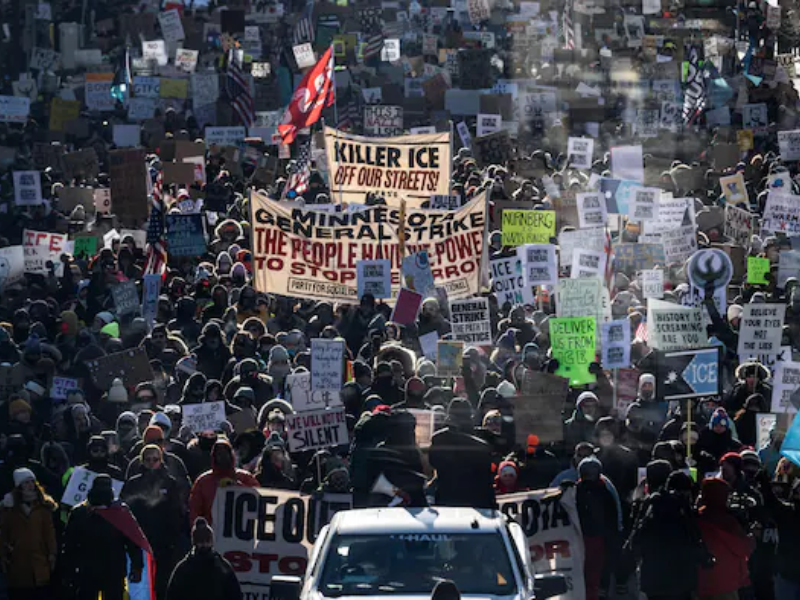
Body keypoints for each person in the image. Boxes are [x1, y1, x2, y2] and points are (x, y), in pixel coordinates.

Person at [61, 474, 150, 600]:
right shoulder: (80, 512)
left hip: (112, 569)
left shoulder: (120, 512)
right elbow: (70, 543)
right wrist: (69, 570)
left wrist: (137, 567)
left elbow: (132, 541)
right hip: (87, 570)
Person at [121, 444, 186, 600]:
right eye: (148, 460)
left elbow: (177, 511)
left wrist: (173, 537)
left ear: (161, 460)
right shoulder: (133, 483)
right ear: (142, 461)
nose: (152, 463)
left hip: (164, 541)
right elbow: (125, 509)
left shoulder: (170, 483)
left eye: (155, 459)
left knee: (162, 581)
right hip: (139, 541)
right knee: (140, 582)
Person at [0, 469, 57, 600]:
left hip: (39, 560)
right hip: (17, 562)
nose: (30, 485)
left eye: (32, 482)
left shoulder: (43, 507)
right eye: (26, 483)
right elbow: (3, 533)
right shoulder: (9, 509)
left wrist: (52, 554)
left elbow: (49, 532)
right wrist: (3, 555)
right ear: (19, 486)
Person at [166, 518, 242, 600]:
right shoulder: (222, 567)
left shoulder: (183, 568)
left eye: (207, 540)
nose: (204, 544)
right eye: (201, 541)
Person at [189, 439, 258, 525]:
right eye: (219, 453)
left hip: (241, 532)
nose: (223, 456)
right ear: (214, 456)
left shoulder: (245, 477)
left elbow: (259, 498)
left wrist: (238, 487)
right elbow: (194, 511)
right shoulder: (203, 481)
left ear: (231, 455)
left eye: (226, 452)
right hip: (213, 533)